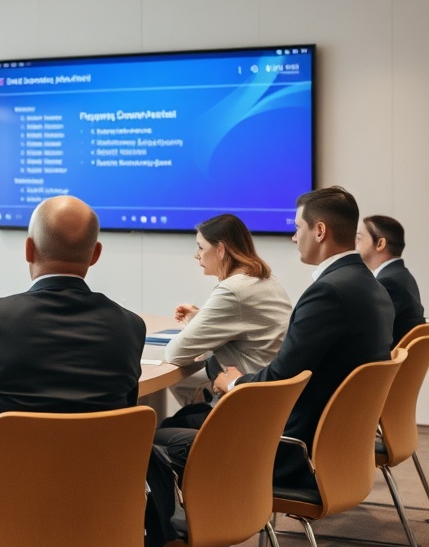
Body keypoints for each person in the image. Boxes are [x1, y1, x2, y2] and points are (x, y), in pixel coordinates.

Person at [0, 195, 156, 547]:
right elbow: (120, 417)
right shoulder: (129, 327)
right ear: (95, 255)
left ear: (28, 249)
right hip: (95, 511)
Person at [157, 186, 394, 488]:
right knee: (186, 419)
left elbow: (284, 375)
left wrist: (233, 383)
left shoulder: (329, 292)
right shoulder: (372, 288)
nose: (294, 237)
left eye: (297, 228)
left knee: (157, 440)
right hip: (336, 446)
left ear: (319, 231)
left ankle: (197, 525)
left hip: (289, 447)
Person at [164, 214, 292, 412]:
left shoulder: (233, 290)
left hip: (249, 405)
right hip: (270, 398)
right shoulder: (264, 279)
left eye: (200, 247)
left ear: (221, 250)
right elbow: (241, 325)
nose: (196, 255)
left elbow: (175, 353)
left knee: (164, 432)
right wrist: (199, 317)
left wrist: (199, 322)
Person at [357, 215, 425, 346]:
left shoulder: (388, 282)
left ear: (380, 244)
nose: (353, 243)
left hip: (386, 361)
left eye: (359, 238)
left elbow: (370, 333)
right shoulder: (402, 275)